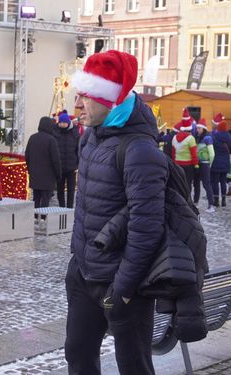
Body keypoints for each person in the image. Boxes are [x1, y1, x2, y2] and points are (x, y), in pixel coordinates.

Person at [66, 50, 168, 375]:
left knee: (134, 367)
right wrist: (76, 266)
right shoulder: (92, 136)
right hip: (84, 276)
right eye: (78, 95)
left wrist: (121, 291)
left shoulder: (140, 150)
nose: (77, 105)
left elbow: (147, 229)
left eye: (86, 97)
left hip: (124, 288)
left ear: (111, 100)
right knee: (78, 358)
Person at [25, 117, 61, 208]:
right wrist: (58, 174)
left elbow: (27, 155)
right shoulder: (51, 140)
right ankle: (42, 218)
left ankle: (35, 217)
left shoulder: (32, 138)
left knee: (36, 199)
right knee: (45, 201)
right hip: (48, 177)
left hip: (35, 175)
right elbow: (56, 160)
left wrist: (30, 169)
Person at [54, 110, 80, 208]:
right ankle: (61, 207)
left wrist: (77, 164)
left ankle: (69, 207)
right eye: (60, 122)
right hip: (60, 167)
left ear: (68, 122)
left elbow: (78, 149)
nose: (62, 124)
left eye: (64, 122)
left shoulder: (74, 132)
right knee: (59, 189)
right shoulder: (55, 132)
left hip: (71, 167)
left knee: (71, 189)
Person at [210, 120, 231, 208]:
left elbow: (211, 148)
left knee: (215, 182)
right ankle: (223, 200)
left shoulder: (214, 136)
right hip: (225, 162)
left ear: (219, 127)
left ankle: (216, 201)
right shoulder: (229, 137)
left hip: (215, 162)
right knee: (223, 181)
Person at [171, 115, 198, 194]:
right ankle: (187, 201)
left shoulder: (174, 137)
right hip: (188, 166)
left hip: (177, 164)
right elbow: (194, 154)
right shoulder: (191, 138)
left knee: (179, 183)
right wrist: (196, 165)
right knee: (187, 184)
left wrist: (174, 163)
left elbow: (173, 153)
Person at [194, 118, 215, 212]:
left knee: (206, 184)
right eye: (197, 128)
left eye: (199, 128)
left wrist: (209, 163)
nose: (197, 130)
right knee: (196, 184)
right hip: (197, 164)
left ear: (203, 129)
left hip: (205, 164)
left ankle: (211, 205)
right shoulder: (196, 137)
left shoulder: (207, 138)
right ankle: (195, 203)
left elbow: (212, 153)